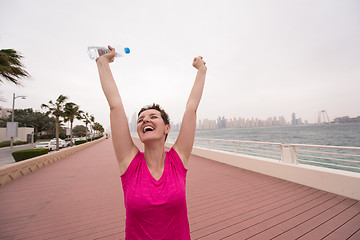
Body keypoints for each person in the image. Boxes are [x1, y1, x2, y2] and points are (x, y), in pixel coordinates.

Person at [96, 46, 207, 239]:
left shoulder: (177, 160)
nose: (145, 120)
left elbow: (191, 109)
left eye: (153, 116)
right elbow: (115, 106)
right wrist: (103, 62)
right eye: (140, 119)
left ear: (166, 128)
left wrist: (201, 71)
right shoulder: (129, 163)